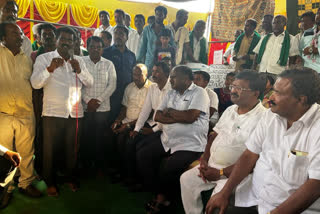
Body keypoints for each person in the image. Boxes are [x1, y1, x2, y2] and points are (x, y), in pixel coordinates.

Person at [206, 68, 320, 214]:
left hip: (291, 208)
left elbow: (315, 185)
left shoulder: (317, 128)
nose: (269, 98)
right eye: (273, 91)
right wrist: (225, 192)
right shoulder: (271, 116)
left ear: (301, 99)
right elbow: (249, 155)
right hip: (255, 198)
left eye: (278, 93)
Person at [180, 70, 266, 214]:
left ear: (255, 93)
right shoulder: (230, 110)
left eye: (239, 88)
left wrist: (220, 173)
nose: (232, 90)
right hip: (211, 166)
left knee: (215, 204)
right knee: (186, 179)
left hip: (235, 175)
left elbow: (253, 159)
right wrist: (204, 160)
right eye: (233, 86)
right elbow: (213, 135)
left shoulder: (264, 118)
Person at [31, 26, 93, 197]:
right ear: (56, 40)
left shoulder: (79, 60)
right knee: (49, 150)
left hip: (75, 113)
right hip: (52, 113)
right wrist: (49, 69)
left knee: (72, 149)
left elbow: (90, 83)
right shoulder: (44, 58)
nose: (66, 42)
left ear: (74, 43)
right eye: (63, 39)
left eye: (70, 40)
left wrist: (79, 70)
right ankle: (50, 182)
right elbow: (35, 83)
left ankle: (70, 178)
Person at [138, 65, 210, 213]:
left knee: (169, 166)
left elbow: (190, 117)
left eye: (173, 77)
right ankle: (158, 192)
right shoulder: (171, 93)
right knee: (143, 154)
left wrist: (170, 112)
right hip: (167, 139)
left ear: (185, 79)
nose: (170, 80)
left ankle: (164, 199)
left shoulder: (199, 93)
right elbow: (157, 116)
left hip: (190, 144)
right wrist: (178, 117)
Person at [0, 22, 42, 198]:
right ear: (3, 38)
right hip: (3, 114)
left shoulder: (27, 59)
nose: (20, 36)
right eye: (14, 33)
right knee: (5, 154)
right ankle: (6, 188)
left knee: (27, 152)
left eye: (20, 33)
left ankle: (25, 183)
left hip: (25, 112)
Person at [127, 62, 171, 189]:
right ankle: (134, 177)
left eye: (157, 72)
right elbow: (146, 110)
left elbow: (168, 118)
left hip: (165, 129)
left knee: (142, 149)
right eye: (153, 71)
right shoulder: (153, 88)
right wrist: (136, 129)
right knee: (133, 141)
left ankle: (148, 184)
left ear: (167, 74)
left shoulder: (171, 89)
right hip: (155, 126)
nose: (153, 74)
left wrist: (153, 131)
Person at [110, 64, 152, 181]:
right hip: (127, 120)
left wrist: (129, 125)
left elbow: (150, 114)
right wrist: (117, 120)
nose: (136, 77)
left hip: (142, 124)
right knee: (113, 134)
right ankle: (121, 170)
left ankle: (130, 176)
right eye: (134, 74)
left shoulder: (152, 88)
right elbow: (124, 107)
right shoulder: (129, 87)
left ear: (146, 75)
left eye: (140, 75)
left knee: (128, 141)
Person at [81, 36, 116, 173]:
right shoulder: (81, 62)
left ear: (102, 49)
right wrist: (88, 100)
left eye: (98, 47)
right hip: (85, 107)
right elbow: (78, 84)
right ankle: (85, 165)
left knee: (100, 138)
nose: (95, 49)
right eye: (92, 47)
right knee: (86, 137)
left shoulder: (109, 64)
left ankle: (99, 166)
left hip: (103, 108)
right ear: (87, 48)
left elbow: (112, 85)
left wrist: (98, 101)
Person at [102, 25, 136, 125]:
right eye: (116, 33)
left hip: (126, 95)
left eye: (121, 34)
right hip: (110, 95)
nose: (118, 36)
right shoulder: (106, 53)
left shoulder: (131, 55)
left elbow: (133, 75)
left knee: (122, 121)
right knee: (108, 122)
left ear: (127, 37)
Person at [137, 6, 175, 75]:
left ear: (165, 16)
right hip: (149, 64)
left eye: (160, 15)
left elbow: (173, 46)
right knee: (148, 83)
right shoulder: (147, 29)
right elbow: (143, 46)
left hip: (163, 64)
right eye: (157, 14)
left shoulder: (168, 31)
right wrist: (137, 60)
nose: (158, 17)